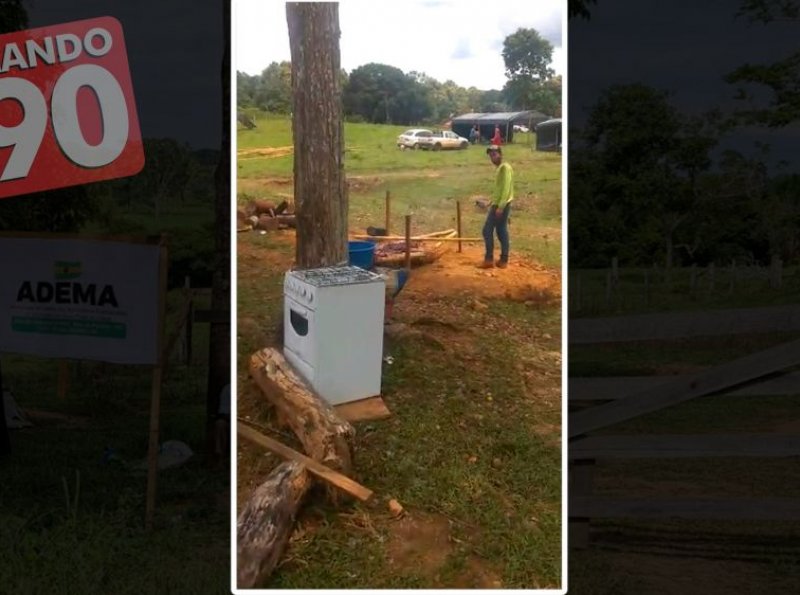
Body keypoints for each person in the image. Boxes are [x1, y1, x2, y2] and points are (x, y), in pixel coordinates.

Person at [480, 145, 514, 269]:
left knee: (487, 230)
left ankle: (489, 259)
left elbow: (506, 188)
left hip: (501, 205)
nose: (492, 158)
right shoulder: (501, 168)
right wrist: (490, 202)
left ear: (500, 154)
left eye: (494, 155)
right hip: (500, 203)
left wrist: (500, 206)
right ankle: (503, 260)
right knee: (501, 231)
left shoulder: (505, 167)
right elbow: (499, 189)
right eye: (490, 156)